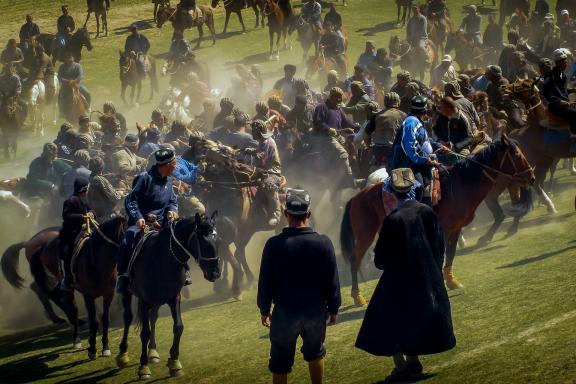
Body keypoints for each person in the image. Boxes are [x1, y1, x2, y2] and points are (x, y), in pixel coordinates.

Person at [355, 168, 455, 381]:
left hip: (399, 280)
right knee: (413, 318)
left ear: (391, 192)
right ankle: (413, 360)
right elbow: (439, 245)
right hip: (428, 275)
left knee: (384, 318)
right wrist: (434, 271)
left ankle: (401, 367)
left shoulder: (393, 220)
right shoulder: (428, 212)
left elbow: (381, 260)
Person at [257, 188, 341, 384]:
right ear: (309, 214)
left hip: (284, 312)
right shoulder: (323, 243)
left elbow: (265, 281)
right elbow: (332, 281)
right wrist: (334, 308)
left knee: (279, 362)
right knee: (316, 353)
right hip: (315, 311)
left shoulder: (273, 245)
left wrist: (264, 308)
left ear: (286, 214)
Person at [116, 148, 179, 293]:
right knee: (127, 242)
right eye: (174, 163)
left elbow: (173, 200)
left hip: (163, 223)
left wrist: (172, 211)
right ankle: (123, 276)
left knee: (179, 239)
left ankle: (183, 271)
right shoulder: (144, 178)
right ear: (167, 164)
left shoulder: (169, 180)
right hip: (141, 224)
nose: (176, 166)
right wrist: (138, 217)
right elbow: (131, 201)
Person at [389, 96, 442, 206]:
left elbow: (425, 140)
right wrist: (424, 160)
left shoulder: (417, 121)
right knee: (418, 188)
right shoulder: (411, 122)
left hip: (415, 162)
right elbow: (409, 146)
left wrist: (439, 146)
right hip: (405, 164)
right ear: (425, 110)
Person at [312, 87, 358, 188]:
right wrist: (328, 129)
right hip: (325, 138)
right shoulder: (322, 107)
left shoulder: (338, 109)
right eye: (337, 97)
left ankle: (356, 171)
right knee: (343, 153)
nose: (339, 100)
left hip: (338, 136)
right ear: (331, 97)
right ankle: (349, 178)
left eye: (340, 97)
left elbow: (347, 122)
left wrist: (359, 127)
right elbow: (317, 123)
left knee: (354, 148)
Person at [245, 120, 283, 226]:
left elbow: (262, 159)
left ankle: (276, 213)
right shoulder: (262, 142)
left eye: (254, 131)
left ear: (259, 133)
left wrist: (252, 153)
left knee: (268, 185)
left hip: (271, 172)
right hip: (261, 170)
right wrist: (250, 151)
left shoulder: (268, 142)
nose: (252, 133)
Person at [59, 177, 93, 291]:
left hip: (87, 229)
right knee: (69, 251)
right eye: (88, 187)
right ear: (84, 188)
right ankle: (68, 278)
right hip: (72, 232)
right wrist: (82, 217)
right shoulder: (70, 201)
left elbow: (91, 210)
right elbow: (66, 216)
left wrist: (92, 214)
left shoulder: (86, 199)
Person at [365, 92, 406, 168]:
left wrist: (369, 148)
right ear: (398, 102)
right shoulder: (403, 116)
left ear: (385, 102)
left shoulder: (377, 115)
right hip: (394, 150)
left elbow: (367, 132)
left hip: (378, 150)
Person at [543, 49, 576, 134]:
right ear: (559, 63)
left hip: (565, 105)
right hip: (556, 107)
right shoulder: (550, 77)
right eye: (565, 62)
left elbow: (561, 91)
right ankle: (573, 135)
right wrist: (559, 101)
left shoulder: (563, 75)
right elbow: (547, 93)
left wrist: (571, 90)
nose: (567, 64)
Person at [485, 65, 524, 130]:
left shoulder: (503, 82)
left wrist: (492, 105)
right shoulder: (489, 85)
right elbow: (487, 97)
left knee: (516, 121)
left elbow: (504, 98)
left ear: (493, 74)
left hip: (508, 107)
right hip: (494, 107)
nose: (485, 74)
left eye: (487, 73)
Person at [87, 156, 123, 222]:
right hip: (107, 216)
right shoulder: (100, 179)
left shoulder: (90, 178)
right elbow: (115, 197)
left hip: (96, 213)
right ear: (102, 167)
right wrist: (120, 193)